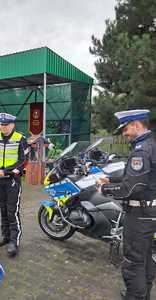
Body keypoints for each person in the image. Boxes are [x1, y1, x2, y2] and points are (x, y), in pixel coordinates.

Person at [96, 109, 156, 300]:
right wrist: (110, 179)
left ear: (137, 125)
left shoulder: (141, 151)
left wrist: (105, 190)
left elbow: (133, 186)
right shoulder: (150, 145)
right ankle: (143, 294)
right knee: (145, 258)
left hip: (139, 215)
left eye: (126, 129)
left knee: (132, 262)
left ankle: (135, 296)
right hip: (149, 212)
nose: (124, 134)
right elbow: (135, 177)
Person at [0, 112, 28, 257]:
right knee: (3, 209)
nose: (3, 127)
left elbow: (24, 160)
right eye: (1, 124)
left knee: (12, 211)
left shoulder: (20, 139)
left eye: (6, 124)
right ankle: (5, 236)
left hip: (12, 180)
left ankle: (13, 242)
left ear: (13, 125)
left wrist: (7, 171)